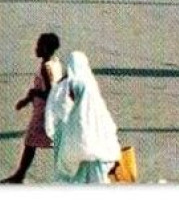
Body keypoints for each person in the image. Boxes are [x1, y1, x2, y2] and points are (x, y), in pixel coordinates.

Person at [44, 51, 123, 184]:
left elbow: (56, 109)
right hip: (98, 157)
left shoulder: (67, 86)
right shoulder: (92, 91)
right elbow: (110, 129)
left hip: (72, 153)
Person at [2, 32, 65, 183]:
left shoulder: (46, 67)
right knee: (46, 142)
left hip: (44, 112)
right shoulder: (56, 62)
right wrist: (27, 99)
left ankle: (20, 175)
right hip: (50, 110)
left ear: (44, 48)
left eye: (38, 46)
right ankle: (20, 174)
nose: (35, 48)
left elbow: (50, 93)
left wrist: (33, 93)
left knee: (31, 142)